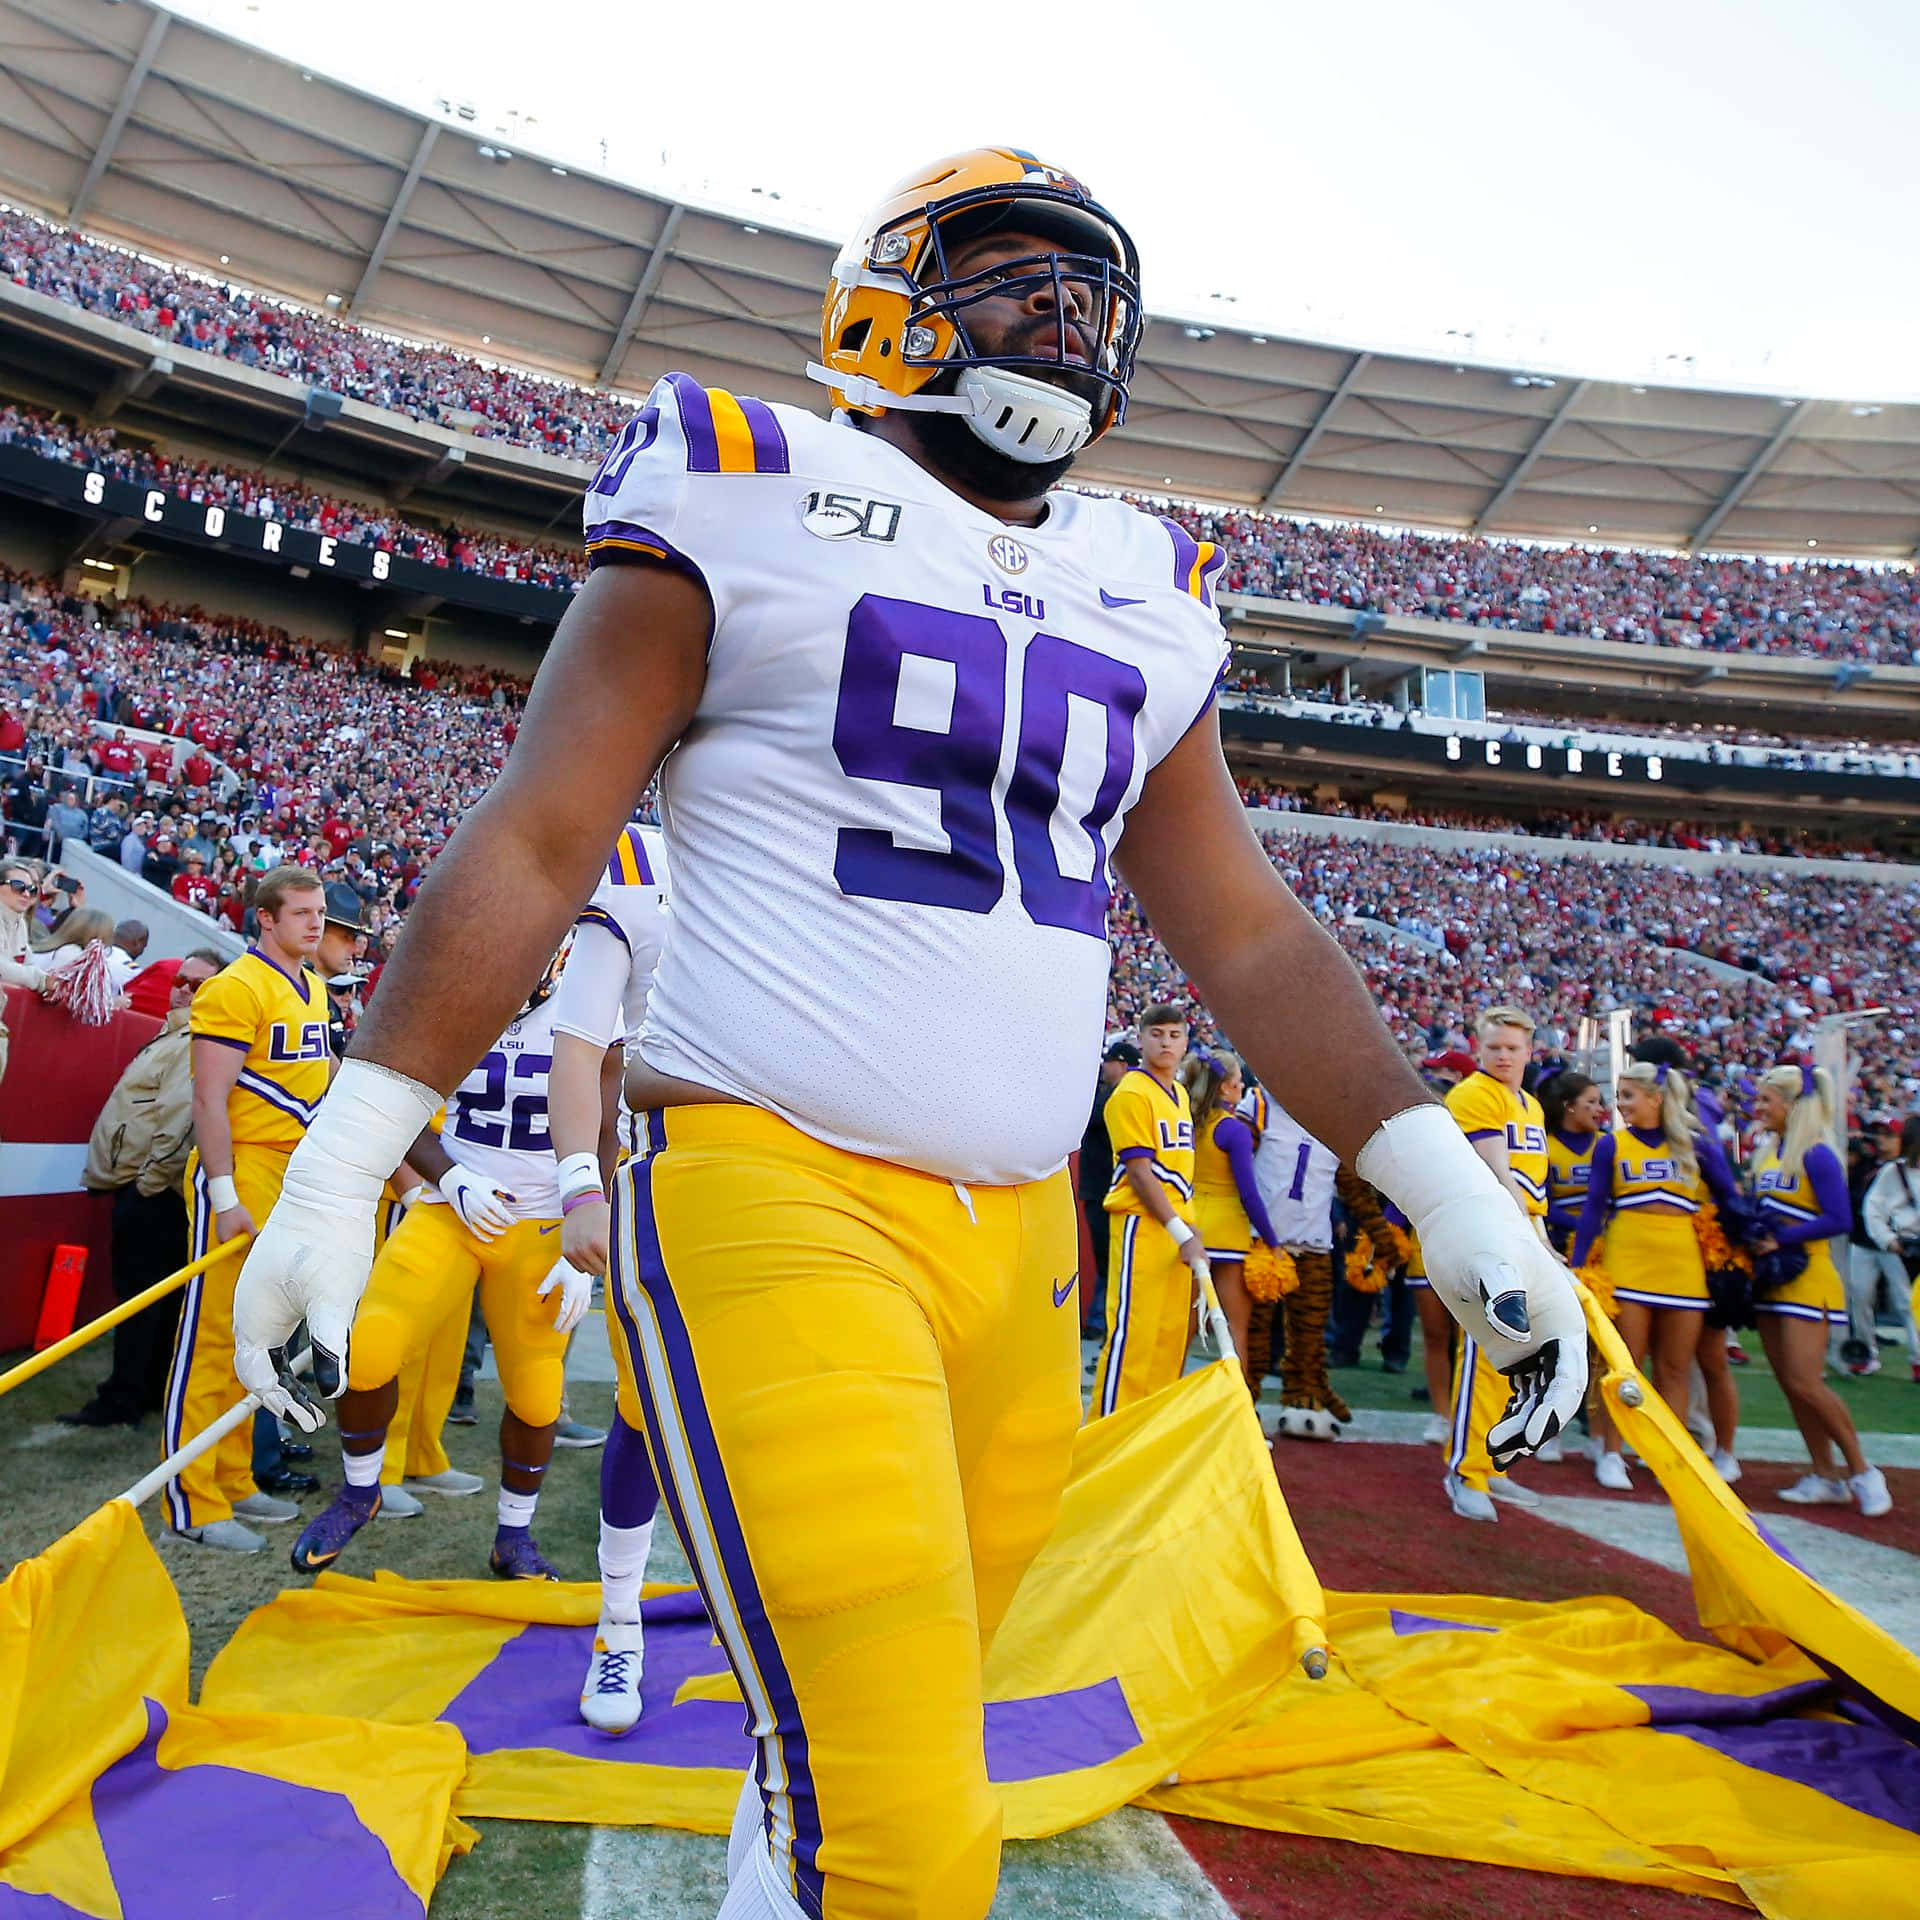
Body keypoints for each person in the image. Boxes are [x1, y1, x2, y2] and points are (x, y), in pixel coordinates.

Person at [231, 146, 1583, 1920]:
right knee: (907, 1837)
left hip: (1022, 1251)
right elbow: (543, 831)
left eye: (1091, 294)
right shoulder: (747, 481)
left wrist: (1452, 1188)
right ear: (888, 297)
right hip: (771, 1195)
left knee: (884, 1741)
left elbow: (1244, 930)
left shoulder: (1141, 578)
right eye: (1014, 274)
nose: (1062, 321)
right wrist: (342, 1165)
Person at [289, 953, 589, 1579]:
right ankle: (360, 1490)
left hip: (541, 1225)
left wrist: (589, 1237)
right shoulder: (457, 996)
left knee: (538, 1396)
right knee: (364, 1350)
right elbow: (391, 1106)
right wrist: (450, 1176)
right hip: (454, 1211)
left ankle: (514, 1536)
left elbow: (613, 1127)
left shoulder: (592, 1006)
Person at [164, 864, 332, 1552]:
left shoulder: (315, 985)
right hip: (244, 1170)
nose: (316, 923)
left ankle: (234, 1476)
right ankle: (191, 1498)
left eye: (319, 912)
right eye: (301, 913)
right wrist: (224, 1193)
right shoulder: (235, 986)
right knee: (214, 1337)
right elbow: (209, 1099)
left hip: (293, 1174)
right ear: (264, 918)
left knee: (261, 1339)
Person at [547, 815, 672, 1733]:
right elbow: (585, 1048)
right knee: (643, 1408)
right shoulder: (638, 874)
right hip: (668, 1181)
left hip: (801, 1184)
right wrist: (580, 1183)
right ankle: (619, 1623)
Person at [58, 951, 223, 1427]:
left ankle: (123, 1398)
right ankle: (143, 1390)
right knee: (154, 1300)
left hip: (153, 1193)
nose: (183, 990)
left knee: (138, 1301)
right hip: (152, 1189)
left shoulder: (194, 1039)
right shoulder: (173, 1034)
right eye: (180, 980)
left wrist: (147, 1184)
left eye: (197, 985)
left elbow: (180, 1120)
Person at [1570, 1062, 1742, 1482]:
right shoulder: (1613, 1145)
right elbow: (1594, 1208)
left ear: (1656, 1098)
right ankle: (1611, 1453)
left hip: (1683, 1267)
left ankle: (1668, 1453)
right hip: (1627, 1262)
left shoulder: (1697, 1145)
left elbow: (1732, 1200)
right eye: (1619, 1096)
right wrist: (1576, 1265)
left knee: (1675, 1368)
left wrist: (1738, 1253)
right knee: (1625, 1364)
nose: (1620, 1105)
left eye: (1628, 1095)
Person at [1750, 1065, 1891, 1516]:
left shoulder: (1817, 1154)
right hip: (1771, 1278)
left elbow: (1839, 1219)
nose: (1759, 1108)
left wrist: (1782, 1239)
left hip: (1808, 1276)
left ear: (1791, 1105)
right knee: (1791, 1386)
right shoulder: (1769, 1152)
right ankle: (1824, 1474)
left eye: (1767, 1100)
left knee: (1807, 1383)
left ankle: (1863, 1471)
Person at [1440, 1007, 1554, 1522]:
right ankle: (1465, 1470)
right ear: (1480, 1048)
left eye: (1512, 1048)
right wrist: (1526, 1240)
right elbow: (1497, 1174)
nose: (1503, 1056)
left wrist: (1543, 1243)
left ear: (1530, 1050)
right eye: (1494, 1048)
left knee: (1519, 1360)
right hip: (1489, 1236)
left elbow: (1533, 1190)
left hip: (1520, 1234)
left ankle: (1493, 1463)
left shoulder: (1530, 1104)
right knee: (1487, 1354)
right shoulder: (1474, 1094)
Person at [1090, 1004, 1203, 1417]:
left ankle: (1149, 1437)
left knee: (1168, 1340)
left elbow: (1181, 1170)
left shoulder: (1181, 1094)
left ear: (1186, 1042)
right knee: (1132, 1338)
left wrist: (1191, 1226)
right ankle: (1105, 1439)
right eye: (1157, 1034)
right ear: (1142, 1039)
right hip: (1142, 1224)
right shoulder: (1133, 1093)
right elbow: (1140, 1172)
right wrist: (1180, 1229)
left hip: (1176, 1227)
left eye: (1174, 1035)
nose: (1166, 1043)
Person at [1179, 1046, 1279, 1397]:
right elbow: (1249, 1193)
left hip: (1190, 1228)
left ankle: (1166, 1411)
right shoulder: (1233, 1130)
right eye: (1238, 1082)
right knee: (1235, 1330)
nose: (1242, 1088)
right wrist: (1271, 1240)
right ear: (1224, 1088)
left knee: (1183, 1333)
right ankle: (1239, 1412)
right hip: (1229, 1234)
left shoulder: (1187, 1121)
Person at [1078, 1039, 1138, 1342]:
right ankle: (1101, 1321)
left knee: (1112, 1261)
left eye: (1110, 1061)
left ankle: (1106, 1325)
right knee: (1109, 1261)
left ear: (1123, 1064)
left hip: (1110, 1189)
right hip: (1102, 1186)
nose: (1104, 1066)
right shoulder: (1109, 1095)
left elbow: (1088, 1120)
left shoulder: (1118, 1097)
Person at [1858, 1115, 1920, 1383]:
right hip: (1897, 1244)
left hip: (1907, 1245)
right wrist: (1887, 1239)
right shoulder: (1892, 1171)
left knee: (1910, 1304)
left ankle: (1918, 1359)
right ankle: (1866, 1354)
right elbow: (1872, 1208)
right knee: (1860, 1297)